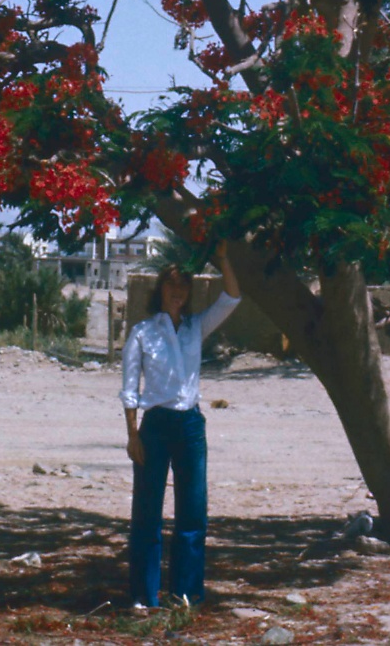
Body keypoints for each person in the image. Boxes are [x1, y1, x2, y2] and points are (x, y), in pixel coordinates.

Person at [119, 246, 241, 609]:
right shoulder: (142, 332)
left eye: (183, 286)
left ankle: (186, 594)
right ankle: (145, 596)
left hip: (189, 424)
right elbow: (129, 388)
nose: (177, 291)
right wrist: (132, 436)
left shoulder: (195, 327)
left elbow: (233, 296)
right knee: (147, 512)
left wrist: (222, 258)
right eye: (171, 285)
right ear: (160, 290)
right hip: (154, 426)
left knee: (192, 512)